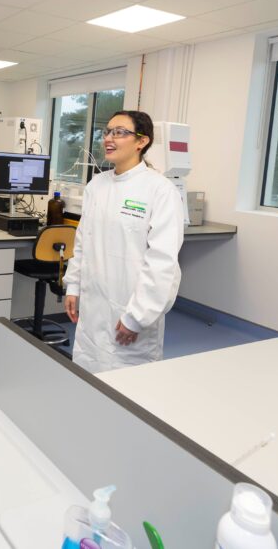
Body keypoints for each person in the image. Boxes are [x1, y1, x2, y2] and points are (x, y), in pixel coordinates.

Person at [63, 110, 184, 373]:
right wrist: (73, 285)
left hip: (129, 311)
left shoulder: (160, 190)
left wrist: (137, 318)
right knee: (88, 375)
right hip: (94, 308)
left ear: (142, 142)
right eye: (107, 131)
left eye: (120, 132)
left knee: (129, 387)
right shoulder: (97, 185)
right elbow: (83, 242)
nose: (109, 138)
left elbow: (162, 263)